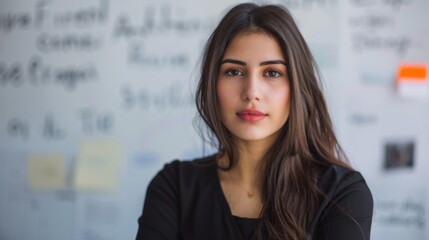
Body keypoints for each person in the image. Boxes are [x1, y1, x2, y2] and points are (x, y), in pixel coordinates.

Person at [136, 3, 373, 240]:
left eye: (272, 73)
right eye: (234, 72)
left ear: (297, 87)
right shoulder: (173, 187)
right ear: (212, 83)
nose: (251, 92)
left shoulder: (342, 195)